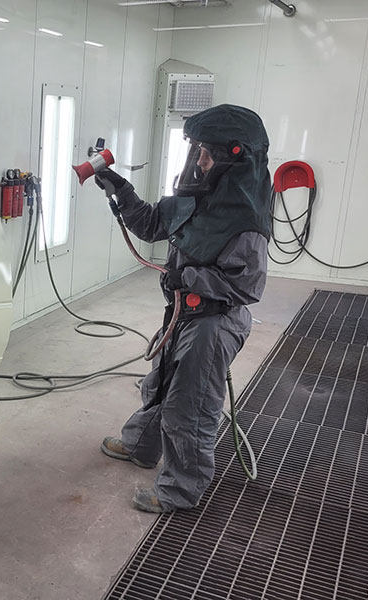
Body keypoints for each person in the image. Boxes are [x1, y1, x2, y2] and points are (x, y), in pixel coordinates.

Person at [94, 104, 272, 513]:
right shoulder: (199, 196)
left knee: (189, 407)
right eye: (197, 150)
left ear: (234, 157)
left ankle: (181, 489)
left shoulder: (246, 220)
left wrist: (188, 280)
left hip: (214, 323)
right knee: (161, 384)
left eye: (206, 152)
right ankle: (141, 446)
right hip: (185, 314)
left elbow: (247, 287)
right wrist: (120, 189)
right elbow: (153, 224)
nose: (199, 160)